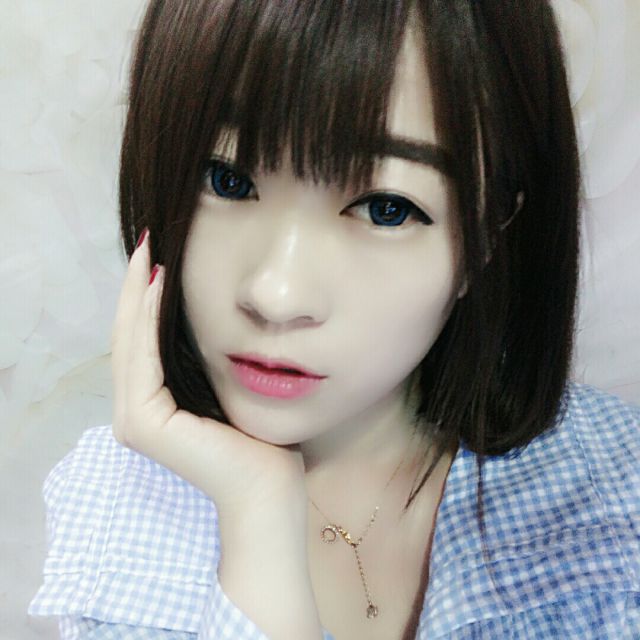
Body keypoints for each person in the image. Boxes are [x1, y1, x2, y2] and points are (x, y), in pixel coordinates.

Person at [28, 0, 640, 638]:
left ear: (488, 233)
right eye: (226, 179)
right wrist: (257, 513)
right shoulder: (114, 514)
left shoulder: (616, 491)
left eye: (385, 209)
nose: (276, 296)